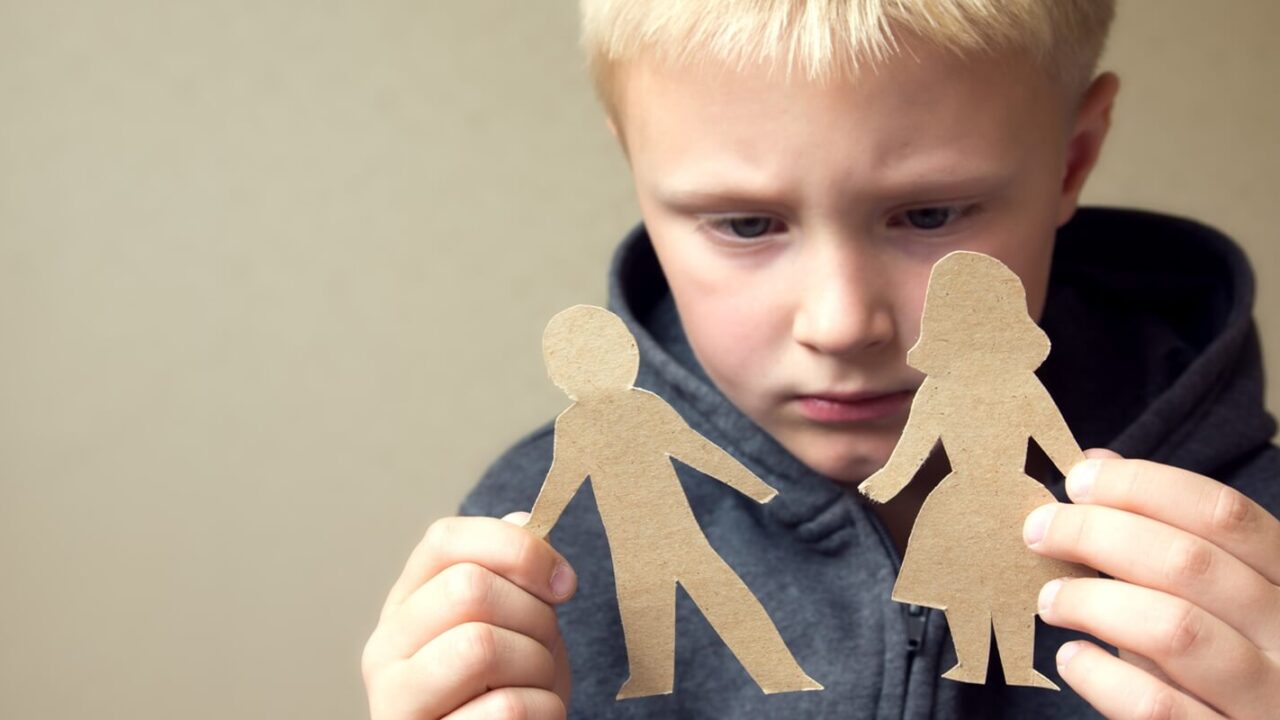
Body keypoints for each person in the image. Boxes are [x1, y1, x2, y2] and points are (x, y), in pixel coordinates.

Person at [361, 1, 1280, 718]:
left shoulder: (1253, 550)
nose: (842, 324)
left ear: (1073, 159)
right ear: (638, 170)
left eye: (929, 215)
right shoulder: (533, 559)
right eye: (747, 224)